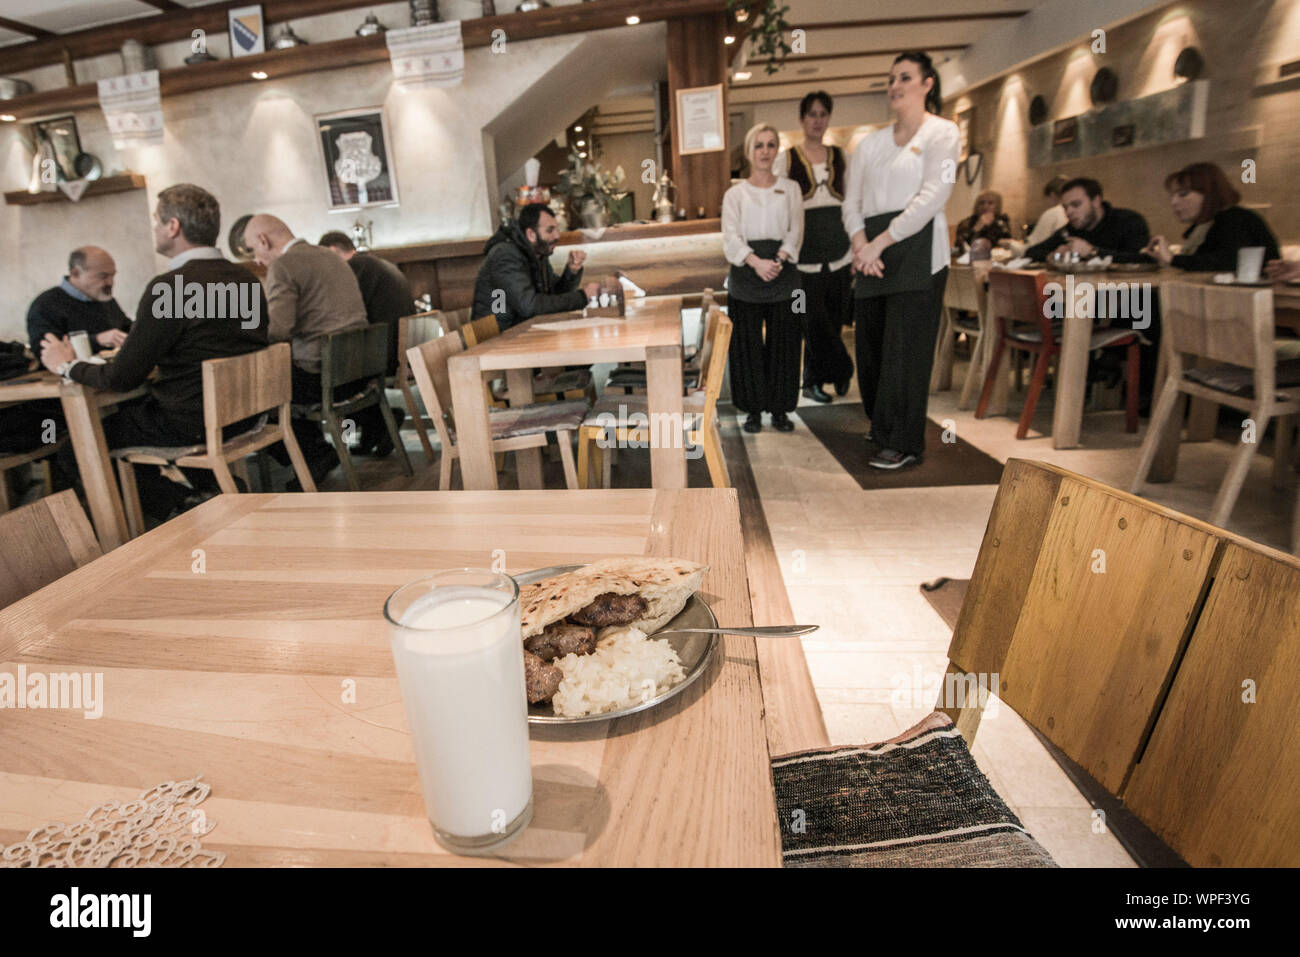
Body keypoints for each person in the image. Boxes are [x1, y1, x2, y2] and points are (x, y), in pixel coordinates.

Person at [38, 184, 268, 521]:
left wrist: (67, 366)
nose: (156, 230)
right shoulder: (245, 279)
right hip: (247, 411)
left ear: (173, 226)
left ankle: (178, 508)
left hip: (194, 421)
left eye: (157, 222)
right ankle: (205, 494)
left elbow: (121, 377)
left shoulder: (170, 288)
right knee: (135, 413)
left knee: (78, 448)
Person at [841, 51, 959, 470]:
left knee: (905, 352)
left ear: (927, 84)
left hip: (918, 252)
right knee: (870, 348)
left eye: (904, 77)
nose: (895, 85)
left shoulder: (943, 134)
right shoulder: (868, 143)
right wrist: (861, 244)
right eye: (891, 78)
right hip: (870, 252)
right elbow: (850, 202)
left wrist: (881, 243)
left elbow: (934, 196)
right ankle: (881, 422)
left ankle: (905, 441)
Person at [244, 214, 369, 483]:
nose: (255, 260)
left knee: (251, 389)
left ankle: (313, 453)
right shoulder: (330, 255)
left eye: (253, 250)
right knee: (284, 373)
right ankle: (316, 452)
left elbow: (277, 330)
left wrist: (242, 333)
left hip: (322, 377)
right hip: (358, 369)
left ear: (263, 241)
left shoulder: (283, 266)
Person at [722, 123, 804, 433]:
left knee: (786, 344)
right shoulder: (734, 194)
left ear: (777, 150)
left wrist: (779, 259)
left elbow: (796, 230)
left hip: (786, 276)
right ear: (748, 152)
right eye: (759, 145)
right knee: (747, 346)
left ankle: (781, 410)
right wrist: (756, 262)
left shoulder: (791, 189)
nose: (765, 151)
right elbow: (730, 237)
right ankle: (753, 410)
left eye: (771, 145)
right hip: (746, 274)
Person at [773, 90, 854, 404]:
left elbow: (853, 201)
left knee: (835, 317)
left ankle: (816, 380)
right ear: (802, 119)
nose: (817, 120)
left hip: (839, 247)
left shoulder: (841, 155)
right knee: (810, 318)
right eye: (812, 115)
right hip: (803, 251)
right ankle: (841, 368)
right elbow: (780, 205)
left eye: (823, 114)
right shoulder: (787, 158)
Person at [319, 230, 412, 456]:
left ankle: (374, 427)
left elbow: (344, 314)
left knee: (331, 377)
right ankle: (377, 428)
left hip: (383, 354)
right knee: (343, 370)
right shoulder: (378, 264)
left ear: (333, 252)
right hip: (397, 349)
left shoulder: (355, 268)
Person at [471, 204, 600, 330]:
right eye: (550, 230)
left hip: (517, 332)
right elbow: (528, 306)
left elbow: (552, 296)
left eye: (557, 229)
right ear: (531, 234)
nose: (557, 236)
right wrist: (582, 297)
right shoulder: (505, 255)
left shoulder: (537, 253)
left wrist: (571, 272)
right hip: (492, 337)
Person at [1143, 162, 1280, 271]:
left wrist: (1172, 259)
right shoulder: (1203, 226)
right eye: (1172, 195)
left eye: (1183, 194)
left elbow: (1228, 262)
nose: (1174, 202)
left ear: (1209, 194)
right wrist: (1162, 258)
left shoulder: (1236, 219)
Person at [27, 246, 131, 355]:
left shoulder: (103, 297)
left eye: (112, 275)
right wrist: (97, 340)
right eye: (103, 276)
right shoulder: (45, 305)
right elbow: (44, 351)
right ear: (75, 273)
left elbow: (126, 327)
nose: (110, 282)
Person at [1023, 177, 1151, 264]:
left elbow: (1144, 259)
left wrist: (1092, 252)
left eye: (1076, 205)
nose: (1069, 212)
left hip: (1130, 298)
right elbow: (1030, 252)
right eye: (1065, 207)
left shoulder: (1128, 221)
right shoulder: (1070, 230)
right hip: (1087, 296)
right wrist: (1052, 255)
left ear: (1096, 201)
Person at [1023, 175, 1069, 247]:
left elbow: (1033, 246)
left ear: (1052, 195)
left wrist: (1011, 244)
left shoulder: (1052, 213)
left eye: (1045, 198)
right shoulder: (1071, 213)